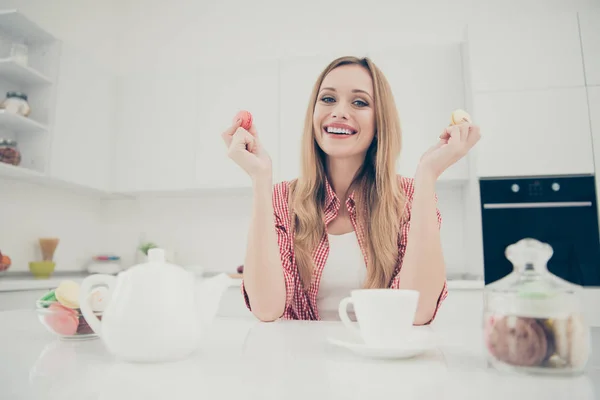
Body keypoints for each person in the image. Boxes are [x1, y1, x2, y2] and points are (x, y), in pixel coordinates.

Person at [221, 56, 481, 324]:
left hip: (383, 363)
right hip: (299, 363)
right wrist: (260, 178)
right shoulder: (281, 199)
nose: (339, 112)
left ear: (380, 122)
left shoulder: (409, 197)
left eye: (359, 102)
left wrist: (428, 175)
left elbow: (417, 312)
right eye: (328, 99)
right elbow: (266, 308)